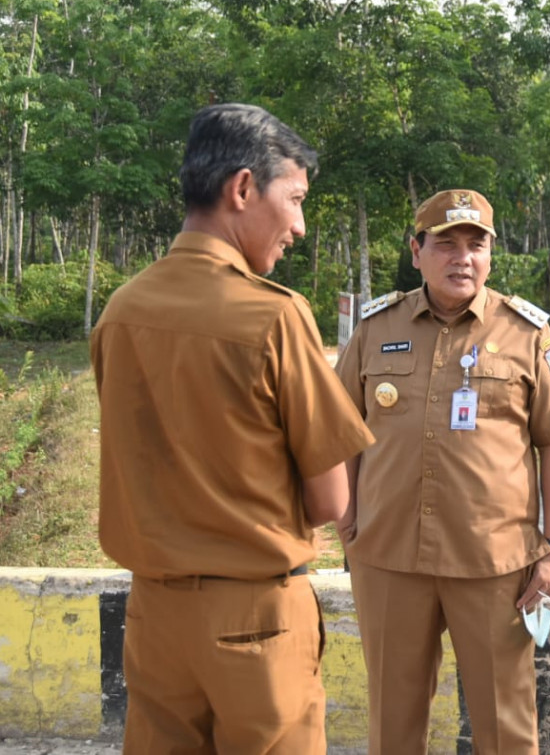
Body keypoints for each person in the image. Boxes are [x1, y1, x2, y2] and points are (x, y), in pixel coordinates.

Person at [91, 103, 375, 754]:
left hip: (154, 618)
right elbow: (332, 500)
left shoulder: (121, 311)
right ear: (243, 188)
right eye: (295, 199)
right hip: (255, 624)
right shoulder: (273, 317)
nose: (299, 226)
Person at [334, 188, 550, 753]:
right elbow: (341, 433)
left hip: (493, 564)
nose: (463, 258)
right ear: (416, 251)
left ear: (491, 255)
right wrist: (347, 520)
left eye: (476, 245)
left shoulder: (525, 334)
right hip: (388, 557)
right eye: (446, 244)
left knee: (505, 725)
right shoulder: (376, 328)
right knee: (393, 721)